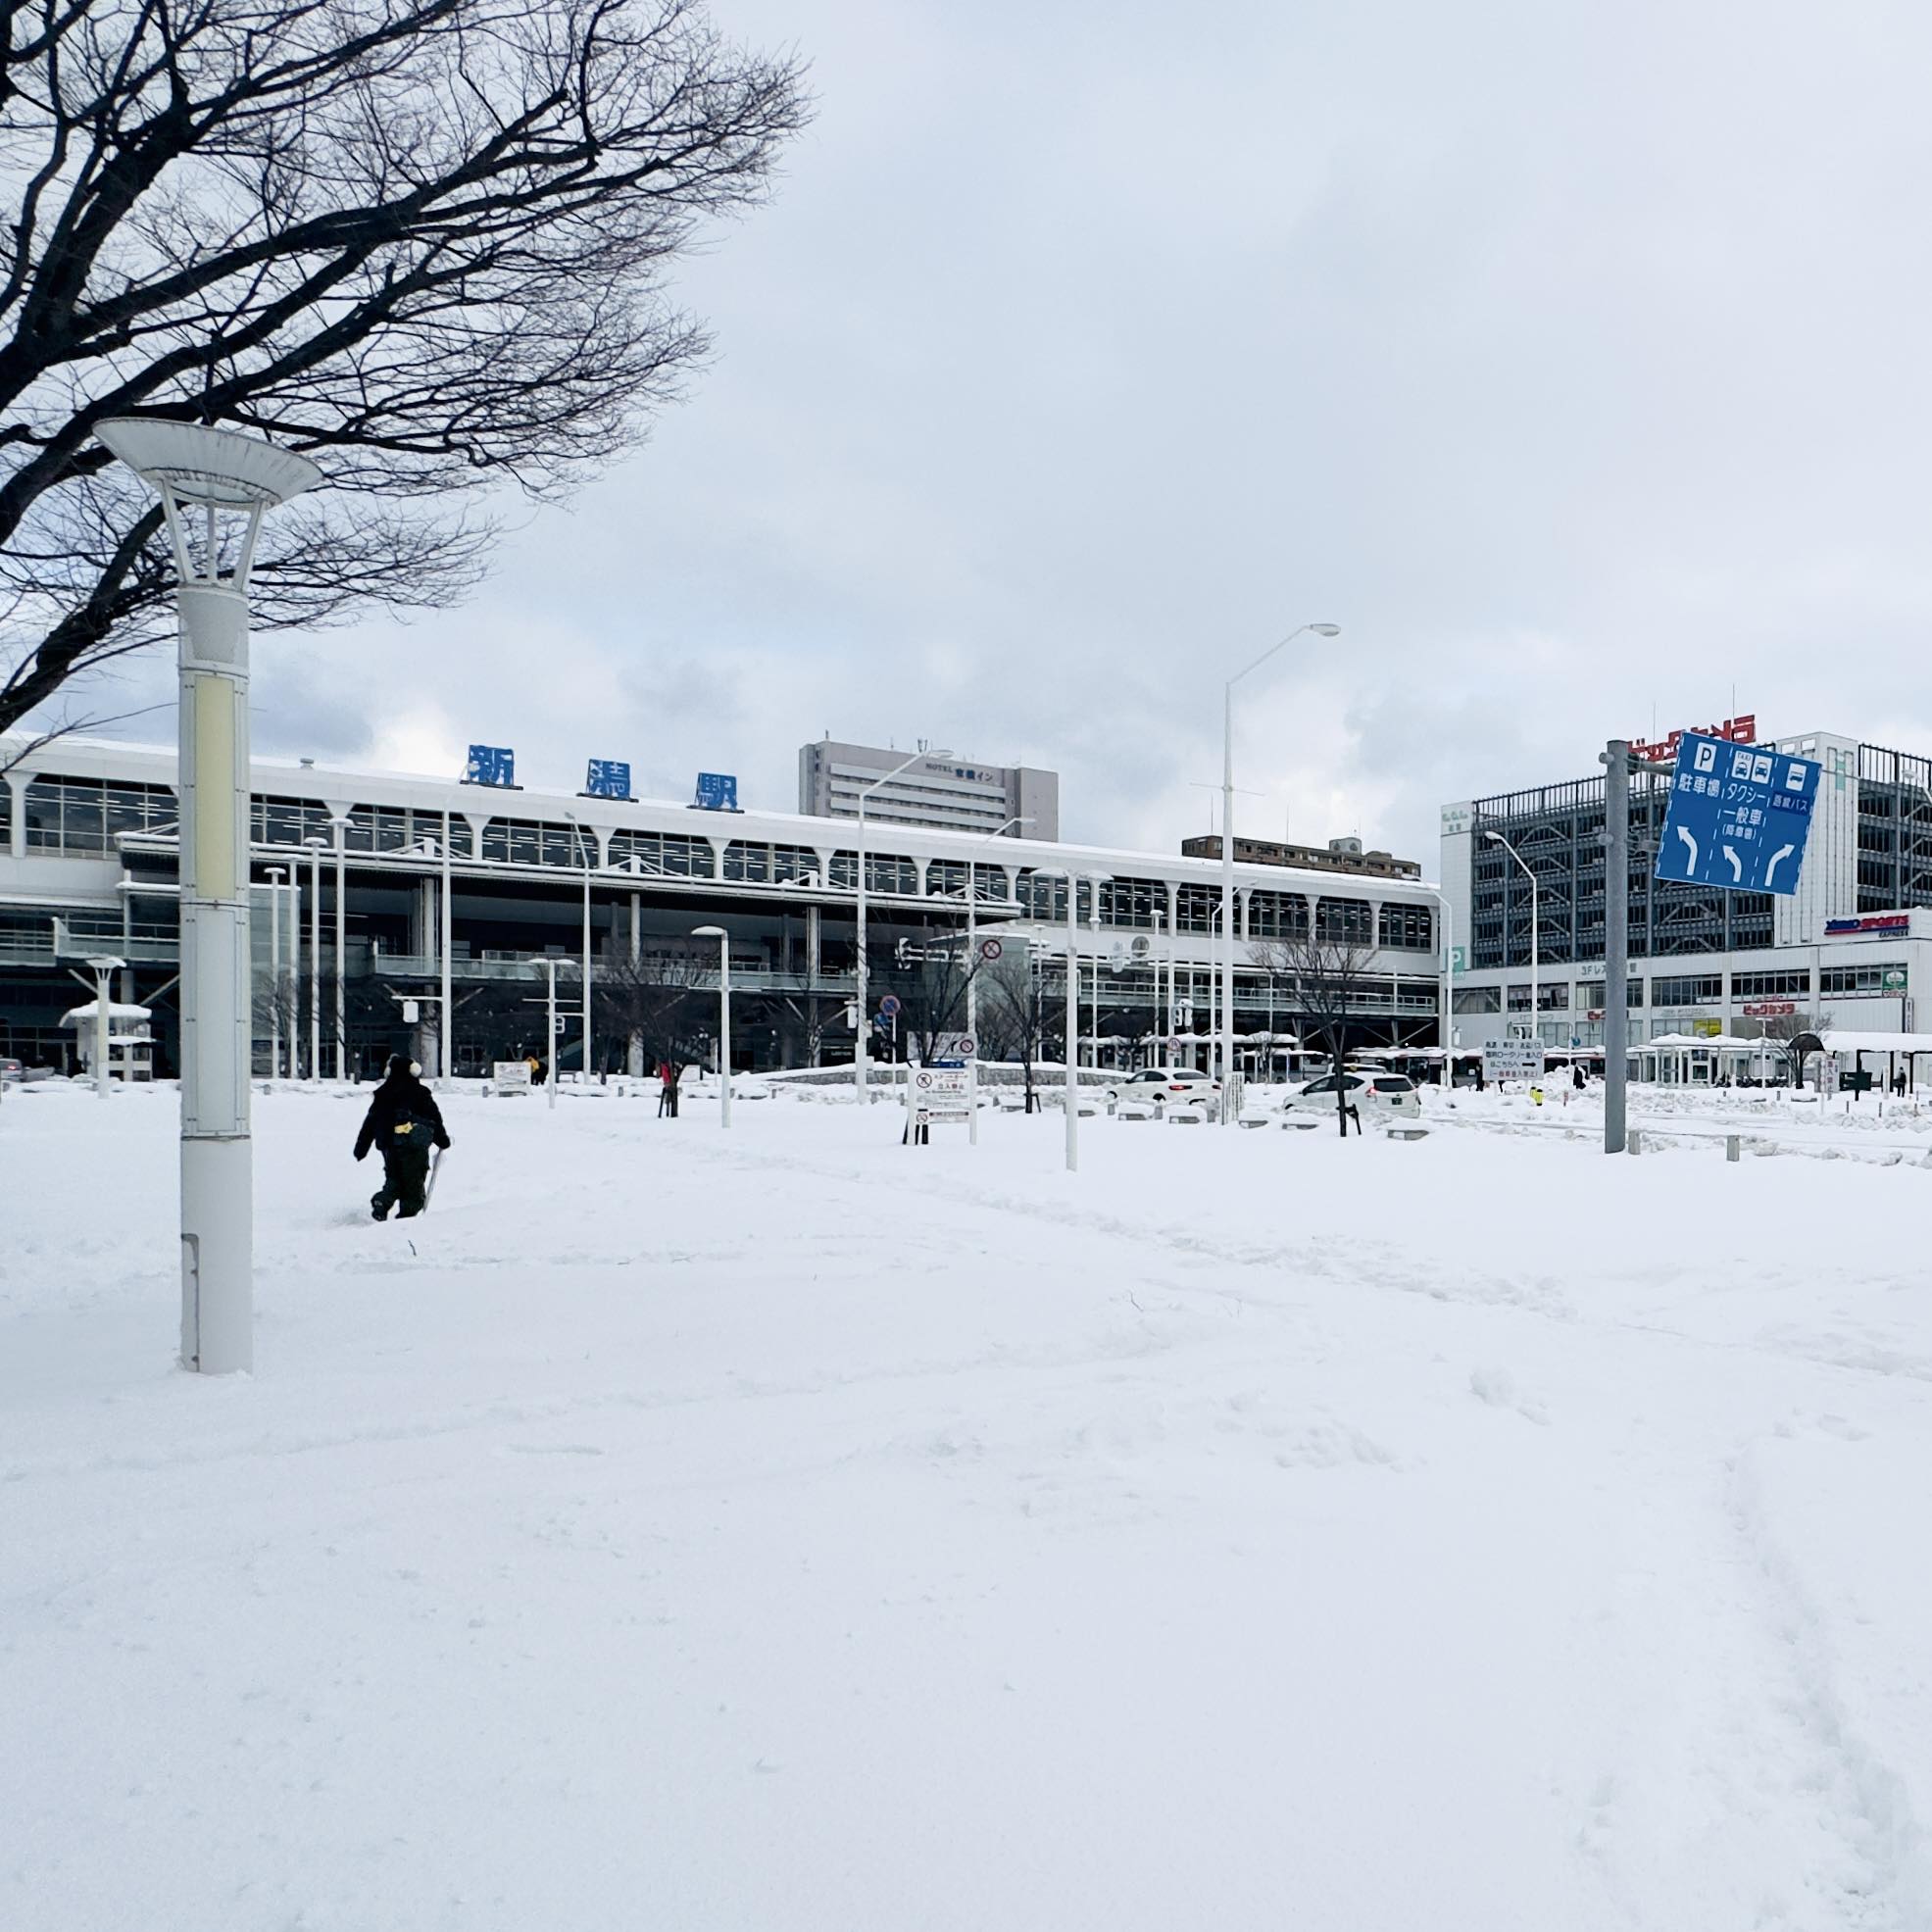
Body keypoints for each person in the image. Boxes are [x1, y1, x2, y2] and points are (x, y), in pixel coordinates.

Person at [354, 1054, 451, 1220]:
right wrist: (442, 1139)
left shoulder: (383, 1094)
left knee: (394, 1177)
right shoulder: (419, 1093)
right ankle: (406, 1219)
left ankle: (383, 1201)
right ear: (413, 1071)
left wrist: (361, 1148)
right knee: (413, 1183)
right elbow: (434, 1117)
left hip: (388, 1145)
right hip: (414, 1146)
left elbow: (370, 1122)